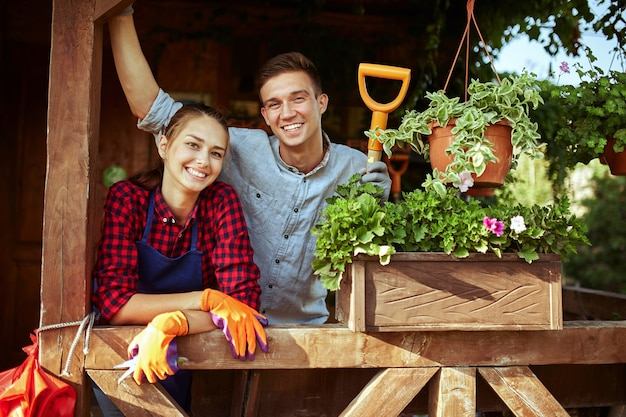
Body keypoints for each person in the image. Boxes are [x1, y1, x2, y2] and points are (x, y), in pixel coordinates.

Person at [107, 5, 392, 325]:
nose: (287, 113)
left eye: (298, 98)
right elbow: (153, 109)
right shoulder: (231, 147)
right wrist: (121, 13)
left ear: (321, 102)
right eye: (274, 104)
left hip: (304, 331)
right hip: (226, 326)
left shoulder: (357, 169)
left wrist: (379, 207)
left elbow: (374, 256)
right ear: (265, 115)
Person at [91, 103, 268, 415]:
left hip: (183, 352)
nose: (203, 160)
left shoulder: (221, 203)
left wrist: (174, 322)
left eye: (216, 153)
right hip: (117, 355)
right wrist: (207, 300)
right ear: (164, 145)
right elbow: (115, 305)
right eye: (193, 145)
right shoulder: (127, 199)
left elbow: (242, 304)